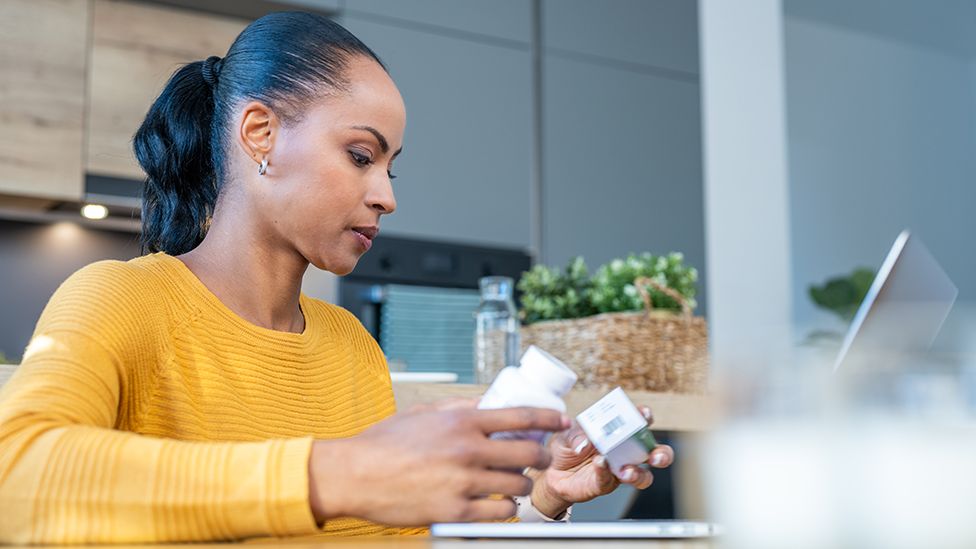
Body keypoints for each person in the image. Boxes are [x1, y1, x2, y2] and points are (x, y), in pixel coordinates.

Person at [0, 12, 673, 544]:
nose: (386, 195)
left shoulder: (350, 344)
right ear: (260, 132)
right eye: (360, 154)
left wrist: (546, 498)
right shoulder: (122, 299)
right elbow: (17, 481)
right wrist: (339, 470)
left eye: (390, 167)